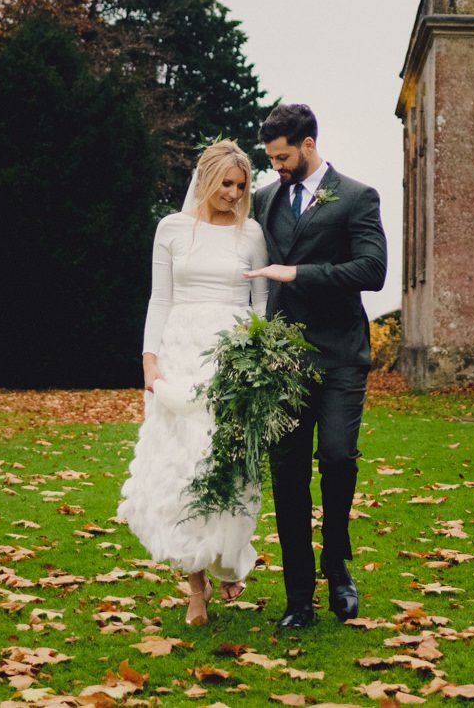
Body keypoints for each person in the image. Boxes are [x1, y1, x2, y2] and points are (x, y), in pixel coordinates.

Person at [243, 103, 387, 630]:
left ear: (308, 145)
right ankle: (297, 596)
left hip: (341, 353)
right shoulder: (262, 200)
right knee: (286, 473)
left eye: (283, 157)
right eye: (271, 159)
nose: (277, 167)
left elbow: (372, 269)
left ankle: (337, 562)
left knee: (338, 456)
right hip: (283, 356)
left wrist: (298, 272)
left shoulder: (356, 196)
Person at [120, 139, 268, 626]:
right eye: (225, 183)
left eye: (241, 186)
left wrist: (257, 359)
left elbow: (261, 304)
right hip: (181, 354)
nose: (233, 193)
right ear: (205, 179)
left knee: (224, 461)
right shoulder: (172, 229)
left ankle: (227, 553)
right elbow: (158, 299)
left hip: (230, 357)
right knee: (185, 465)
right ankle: (196, 588)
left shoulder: (251, 234)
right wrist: (149, 359)